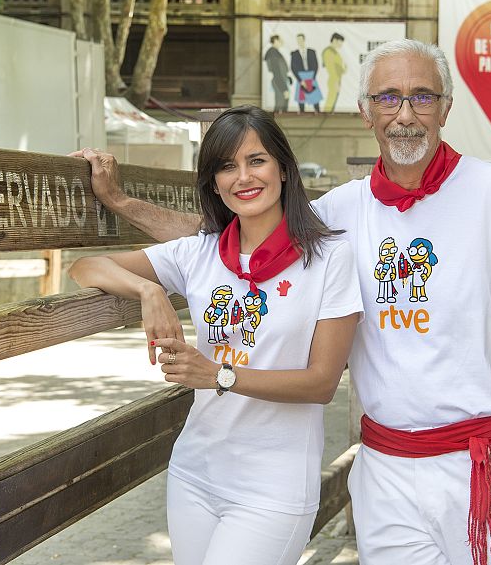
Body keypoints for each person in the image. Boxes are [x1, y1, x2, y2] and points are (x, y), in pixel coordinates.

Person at [80, 39, 491, 565]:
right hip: (385, 473)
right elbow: (226, 230)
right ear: (366, 112)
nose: (404, 113)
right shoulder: (343, 211)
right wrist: (123, 204)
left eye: (421, 97)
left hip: (488, 469)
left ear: (446, 108)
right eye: (388, 98)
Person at [68, 106, 363, 565]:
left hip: (273, 487)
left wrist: (219, 375)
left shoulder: (329, 259)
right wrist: (150, 290)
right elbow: (85, 269)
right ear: (213, 182)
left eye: (256, 160)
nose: (243, 176)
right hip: (195, 474)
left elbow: (322, 383)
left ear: (283, 168)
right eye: (227, 166)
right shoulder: (199, 254)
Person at [290, 34, 322, 113]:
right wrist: (300, 80)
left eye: (301, 40)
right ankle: (302, 112)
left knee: (314, 96)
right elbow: (293, 68)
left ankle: (317, 111)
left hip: (311, 76)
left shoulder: (311, 52)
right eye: (298, 40)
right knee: (301, 97)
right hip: (301, 76)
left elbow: (316, 65)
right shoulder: (294, 53)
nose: (299, 42)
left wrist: (312, 77)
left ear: (304, 40)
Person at [263, 35, 291, 113]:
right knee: (281, 103)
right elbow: (276, 72)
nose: (282, 42)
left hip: (279, 80)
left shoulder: (274, 52)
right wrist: (284, 88)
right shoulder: (273, 53)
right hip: (279, 81)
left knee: (280, 103)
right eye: (280, 40)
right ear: (275, 41)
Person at [322, 32, 347, 113]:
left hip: (337, 79)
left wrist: (344, 69)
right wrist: (336, 81)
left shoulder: (334, 52)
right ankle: (325, 115)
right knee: (330, 101)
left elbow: (339, 68)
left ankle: (327, 115)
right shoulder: (329, 52)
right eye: (340, 42)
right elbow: (332, 69)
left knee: (333, 100)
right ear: (335, 40)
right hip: (334, 79)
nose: (341, 45)